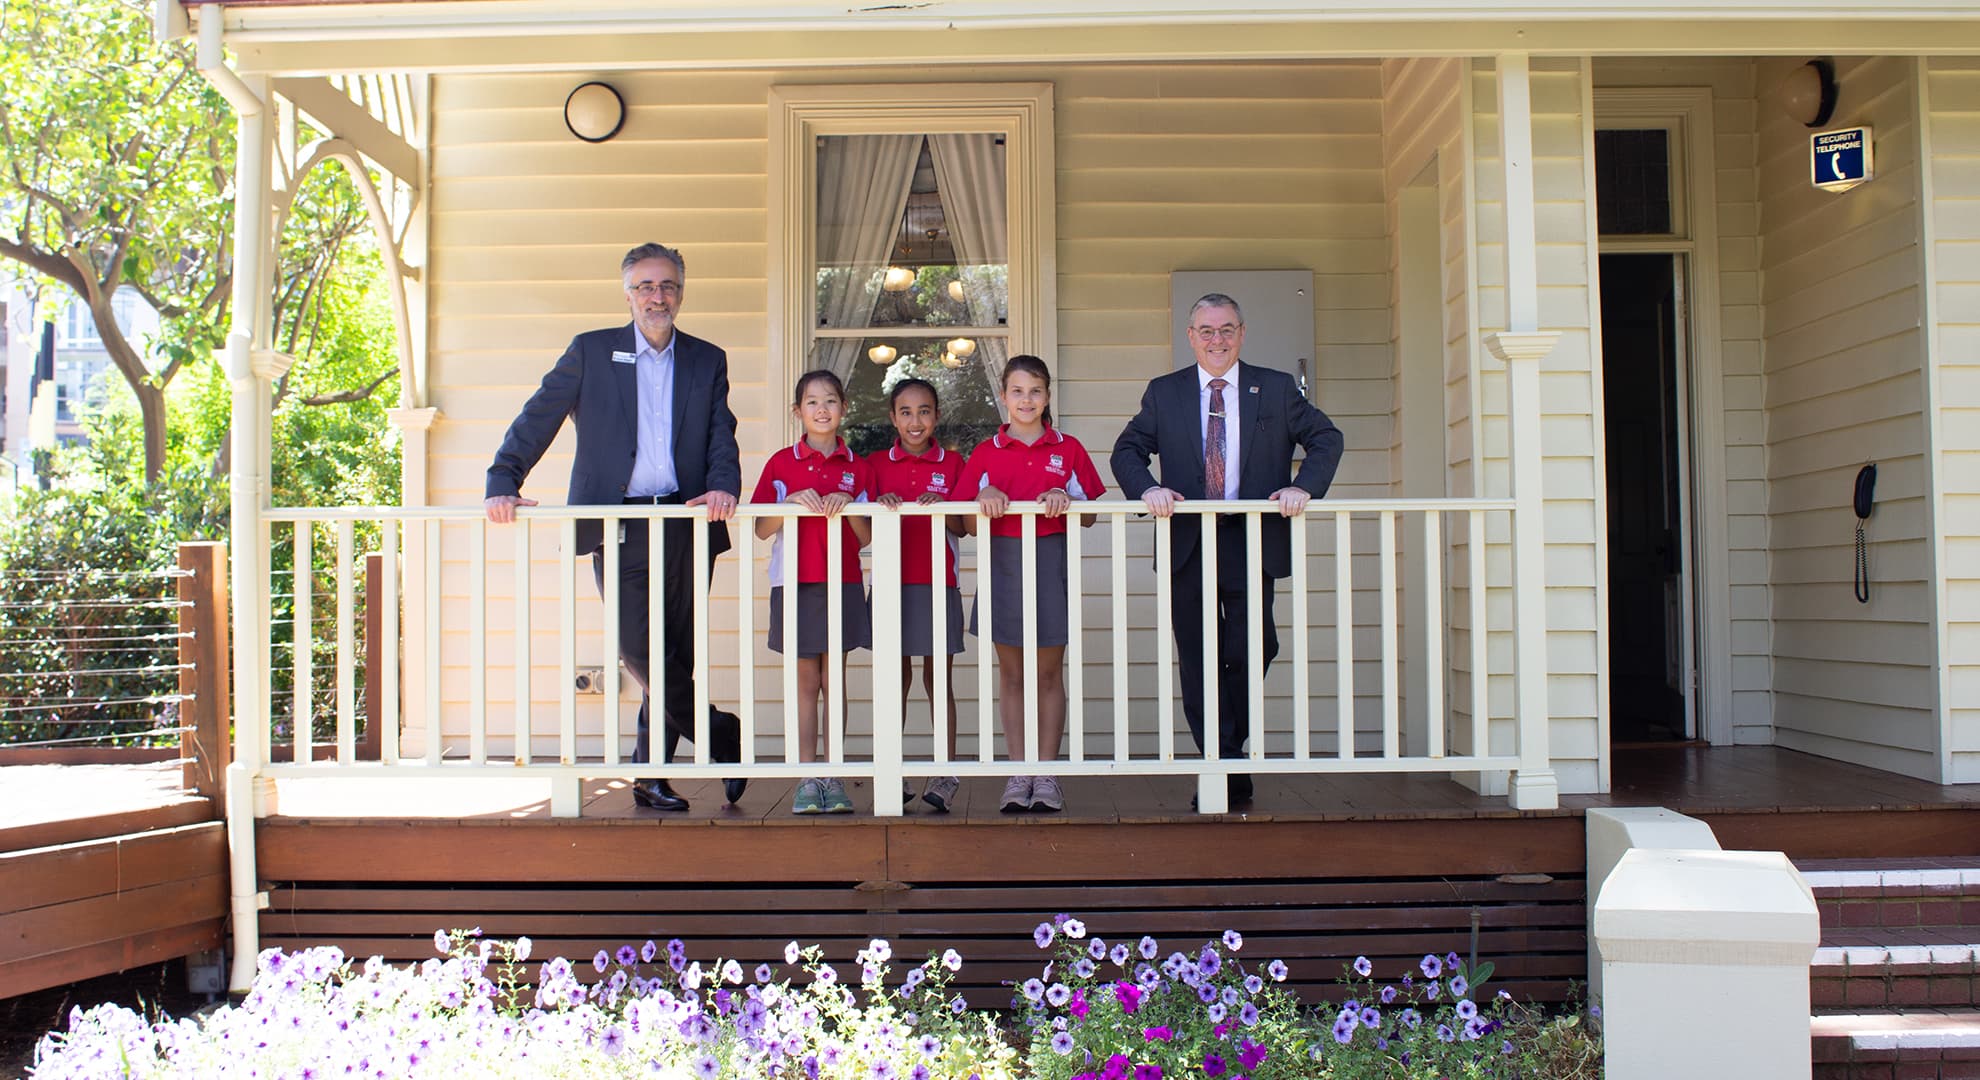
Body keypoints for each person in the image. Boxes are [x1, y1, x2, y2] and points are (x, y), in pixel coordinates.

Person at [484, 242, 746, 813]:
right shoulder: (592, 351)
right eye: (646, 286)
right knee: (638, 647)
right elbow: (538, 417)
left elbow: (720, 436)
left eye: (668, 285)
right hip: (617, 519)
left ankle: (651, 775)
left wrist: (725, 485)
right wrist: (503, 476)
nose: (658, 295)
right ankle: (719, 732)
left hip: (686, 517)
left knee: (676, 650)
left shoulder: (706, 359)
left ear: (681, 292)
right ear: (628, 294)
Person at [1110, 292, 1344, 807]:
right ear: (1191, 336)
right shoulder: (1165, 392)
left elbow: (1326, 437)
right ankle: (1221, 767)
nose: (1217, 340)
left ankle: (1228, 750)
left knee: (1254, 647)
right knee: (1198, 659)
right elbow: (1126, 450)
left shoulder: (1276, 388)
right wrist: (1147, 489)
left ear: (1241, 333)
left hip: (1251, 537)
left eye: (1226, 329)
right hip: (1189, 540)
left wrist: (1303, 486)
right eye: (1206, 331)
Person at [955, 355, 1106, 814]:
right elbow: (962, 521)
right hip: (1003, 565)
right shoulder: (986, 452)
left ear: (1046, 397)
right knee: (1014, 674)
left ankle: (1046, 773)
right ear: (1003, 397)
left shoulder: (1069, 448)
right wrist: (982, 496)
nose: (1026, 400)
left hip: (1050, 566)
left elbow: (1093, 513)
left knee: (1046, 673)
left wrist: (1067, 499)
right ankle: (1018, 770)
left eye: (1035, 391)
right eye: (1017, 391)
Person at [751, 370, 873, 815]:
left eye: (831, 401)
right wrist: (788, 504)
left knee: (833, 680)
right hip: (796, 581)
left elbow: (865, 538)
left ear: (843, 408)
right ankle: (807, 777)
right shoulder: (781, 464)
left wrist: (851, 507)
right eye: (812, 402)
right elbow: (761, 529)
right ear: (797, 411)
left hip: (841, 580)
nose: (822, 409)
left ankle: (832, 774)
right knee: (806, 682)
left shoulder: (858, 467)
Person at [868, 378, 964, 813]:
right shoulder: (874, 465)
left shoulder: (955, 463)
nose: (915, 421)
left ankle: (945, 772)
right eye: (905, 412)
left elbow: (964, 526)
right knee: (895, 678)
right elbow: (861, 528)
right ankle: (895, 768)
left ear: (936, 416)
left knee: (937, 678)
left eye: (924, 411)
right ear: (892, 418)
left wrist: (942, 509)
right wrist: (878, 504)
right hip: (890, 581)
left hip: (937, 579)